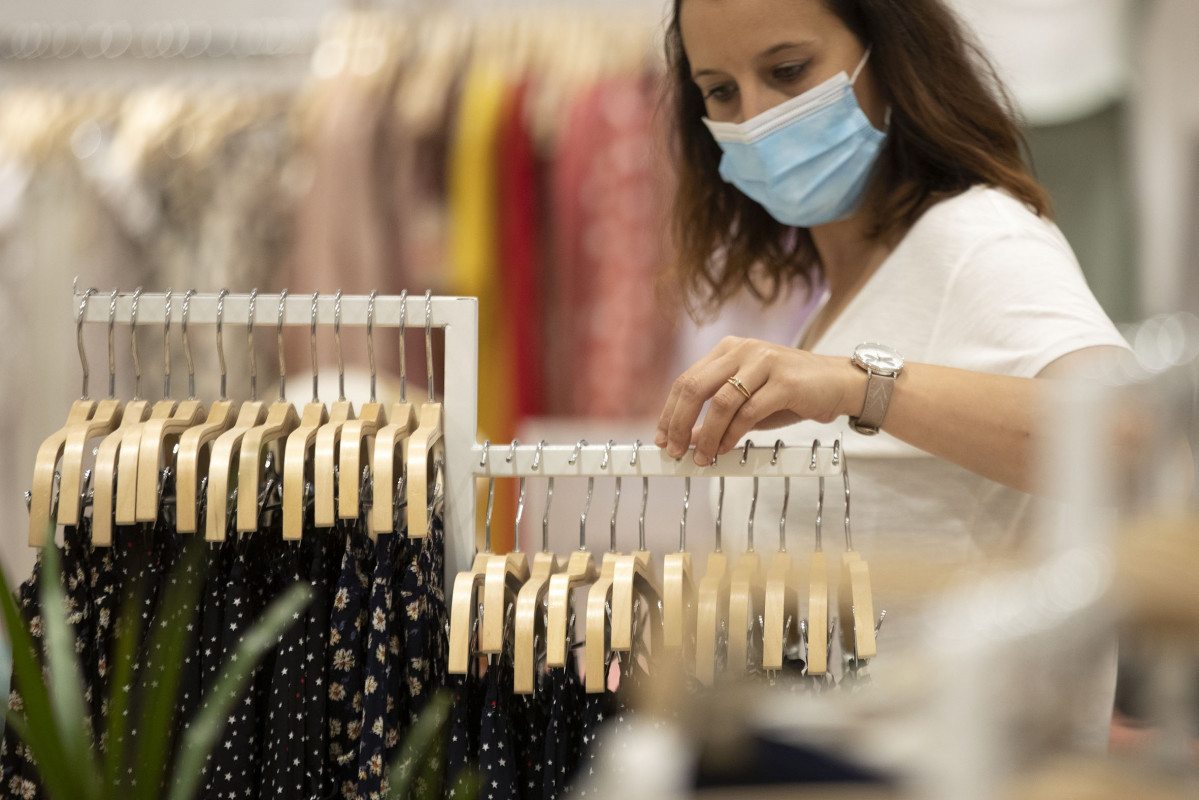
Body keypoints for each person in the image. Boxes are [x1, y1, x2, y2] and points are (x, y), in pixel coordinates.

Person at [653, 0, 1128, 750]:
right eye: (719, 91)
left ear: (889, 54)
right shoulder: (840, 289)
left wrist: (859, 386)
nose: (754, 118)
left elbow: (1131, 442)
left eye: (787, 71)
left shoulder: (977, 240)